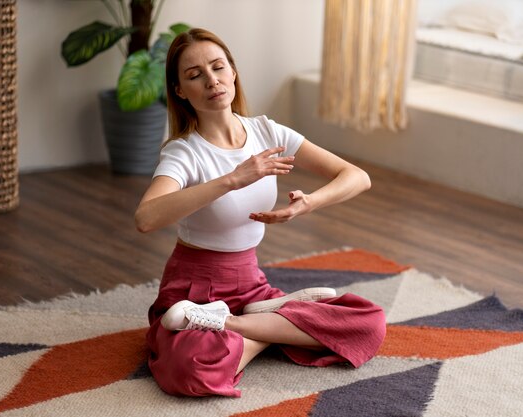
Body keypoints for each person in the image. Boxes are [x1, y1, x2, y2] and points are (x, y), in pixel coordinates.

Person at [134, 28, 386, 398]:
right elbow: (146, 218)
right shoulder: (183, 152)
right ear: (179, 91)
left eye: (218, 67)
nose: (211, 80)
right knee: (189, 371)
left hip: (252, 285)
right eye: (194, 75)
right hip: (193, 292)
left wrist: (310, 202)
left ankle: (234, 322)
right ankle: (270, 324)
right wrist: (233, 178)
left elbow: (357, 177)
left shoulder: (267, 131)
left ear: (233, 73)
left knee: (369, 324)